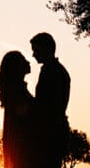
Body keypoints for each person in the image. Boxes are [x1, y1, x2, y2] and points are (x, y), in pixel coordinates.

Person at [30, 32, 70, 168]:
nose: (33, 54)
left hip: (49, 135)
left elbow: (48, 107)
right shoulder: (53, 70)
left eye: (36, 50)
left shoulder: (53, 72)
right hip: (52, 134)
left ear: (46, 48)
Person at [0, 50, 36, 168]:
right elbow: (26, 117)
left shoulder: (17, 90)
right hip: (21, 148)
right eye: (24, 60)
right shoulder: (16, 92)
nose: (28, 62)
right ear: (16, 67)